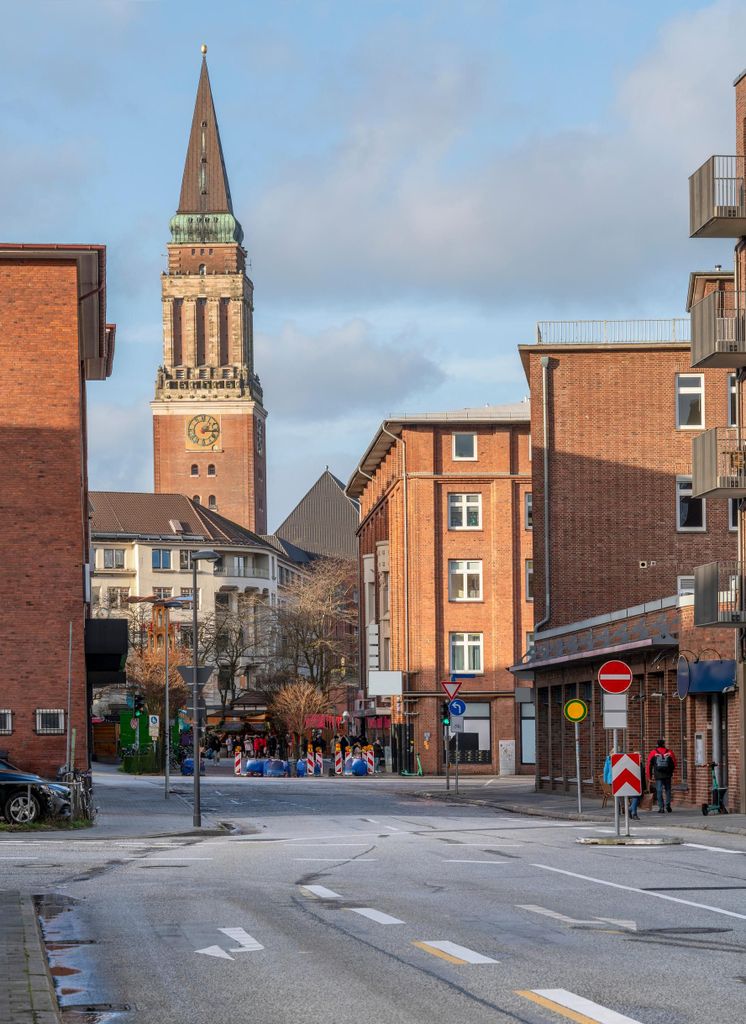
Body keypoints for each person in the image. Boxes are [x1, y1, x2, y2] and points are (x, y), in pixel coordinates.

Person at [647, 739, 676, 813]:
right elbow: (674, 764)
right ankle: (668, 805)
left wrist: (649, 777)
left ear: (657, 744)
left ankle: (661, 807)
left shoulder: (653, 753)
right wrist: (671, 772)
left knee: (659, 791)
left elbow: (649, 766)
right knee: (668, 790)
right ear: (664, 744)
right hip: (667, 775)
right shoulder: (669, 752)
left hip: (658, 776)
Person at [629, 753, 646, 820]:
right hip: (634, 784)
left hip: (640, 785)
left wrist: (644, 787)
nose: (641, 758)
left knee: (638, 799)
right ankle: (634, 813)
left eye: (641, 757)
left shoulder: (641, 765)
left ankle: (630, 809)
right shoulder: (633, 765)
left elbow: (643, 777)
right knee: (635, 798)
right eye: (639, 757)